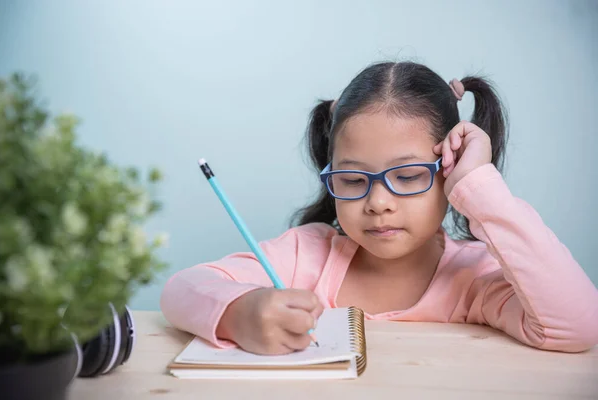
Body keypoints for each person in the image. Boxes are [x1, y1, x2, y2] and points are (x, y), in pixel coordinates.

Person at [160, 61, 598, 355]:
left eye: (407, 177)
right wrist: (240, 314)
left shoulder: (474, 279)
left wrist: (481, 189)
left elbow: (578, 326)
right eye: (352, 180)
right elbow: (181, 289)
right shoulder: (305, 254)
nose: (378, 203)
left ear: (450, 170)